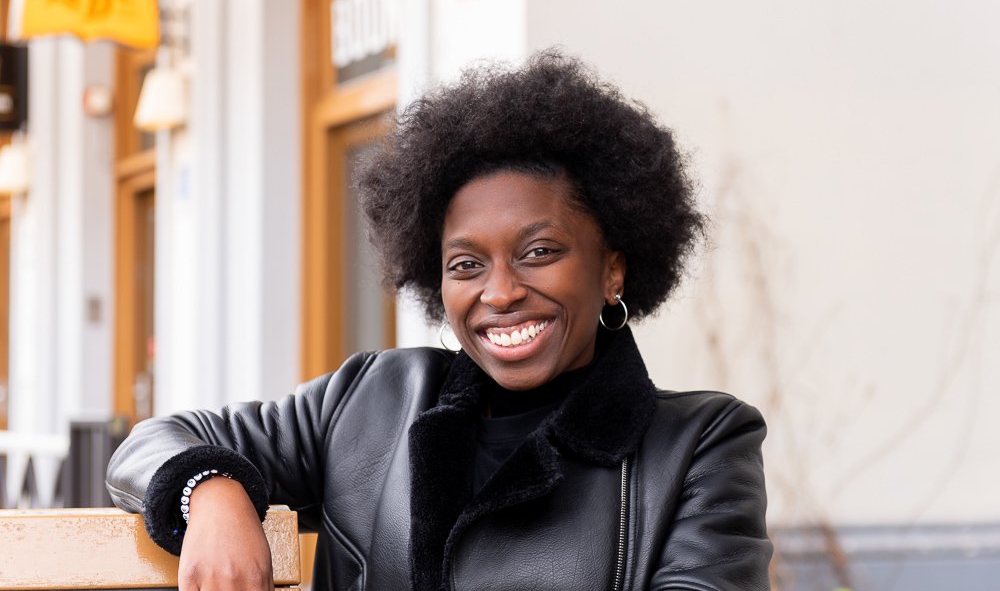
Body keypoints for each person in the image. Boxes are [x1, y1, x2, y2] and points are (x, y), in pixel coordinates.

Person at [106, 50, 772, 590]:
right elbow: (154, 442)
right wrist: (213, 493)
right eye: (466, 264)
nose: (500, 292)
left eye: (539, 252)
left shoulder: (701, 443)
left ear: (613, 271)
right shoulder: (368, 401)